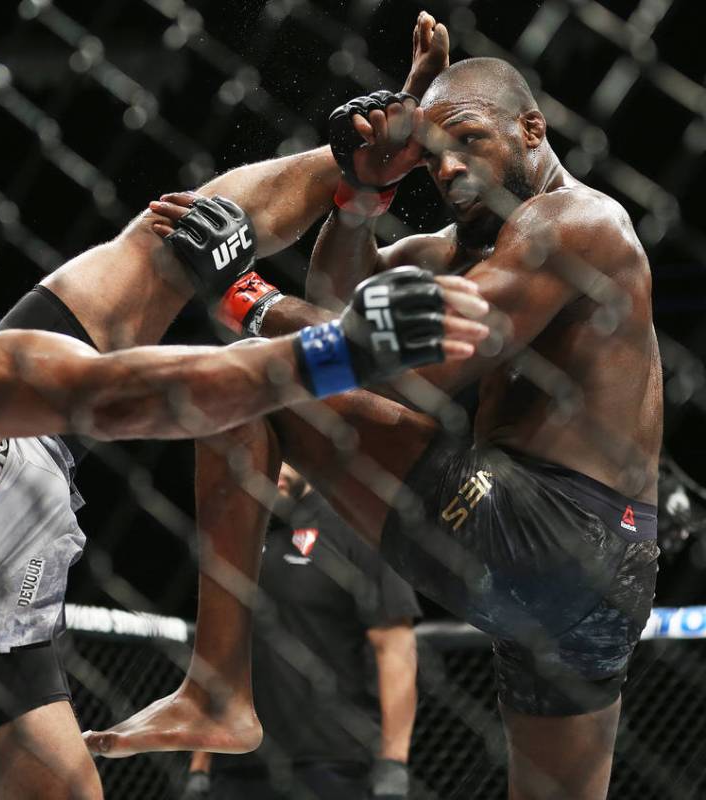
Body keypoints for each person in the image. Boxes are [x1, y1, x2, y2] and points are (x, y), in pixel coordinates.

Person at [0, 22, 487, 800]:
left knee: (183, 232)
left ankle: (361, 169)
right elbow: (111, 396)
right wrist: (343, 349)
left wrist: (342, 167)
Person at [84, 18, 661, 800]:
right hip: (601, 579)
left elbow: (413, 367)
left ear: (532, 129)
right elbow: (339, 307)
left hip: (545, 523)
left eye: (468, 140)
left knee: (252, 387)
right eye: (433, 156)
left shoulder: (578, 223)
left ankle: (217, 689)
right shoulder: (463, 247)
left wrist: (245, 296)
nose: (451, 168)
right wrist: (362, 190)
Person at [181, 462, 420, 800]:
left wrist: (394, 761)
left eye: (286, 453)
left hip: (331, 764)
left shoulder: (356, 527)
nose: (276, 464)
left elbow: (394, 646)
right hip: (236, 764)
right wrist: (200, 764)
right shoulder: (236, 535)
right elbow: (220, 657)